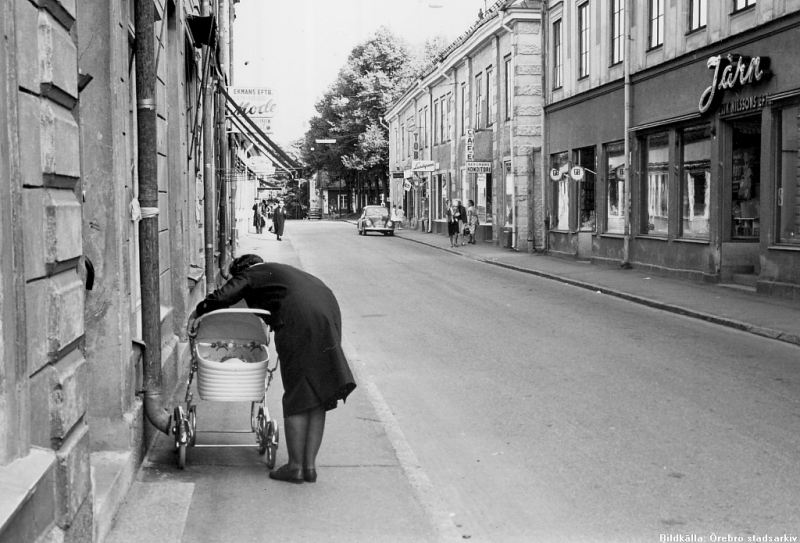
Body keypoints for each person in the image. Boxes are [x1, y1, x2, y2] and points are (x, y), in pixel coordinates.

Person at [189, 254, 357, 484]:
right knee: (318, 396)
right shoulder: (281, 273)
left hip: (300, 322)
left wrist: (199, 311)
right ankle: (309, 467)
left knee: (298, 396)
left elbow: (224, 296)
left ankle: (295, 467)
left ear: (241, 270)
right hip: (328, 316)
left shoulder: (251, 273)